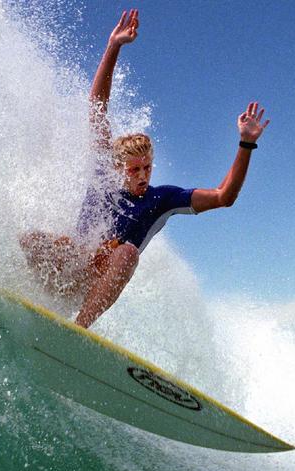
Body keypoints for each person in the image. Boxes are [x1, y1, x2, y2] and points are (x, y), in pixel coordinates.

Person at [19, 10, 270, 328]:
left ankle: (77, 330)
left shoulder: (160, 200)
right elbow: (97, 104)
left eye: (147, 168)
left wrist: (246, 144)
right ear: (118, 167)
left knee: (125, 254)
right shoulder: (103, 175)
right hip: (63, 273)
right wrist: (113, 47)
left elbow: (224, 196)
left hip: (89, 289)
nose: (142, 176)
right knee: (30, 240)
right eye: (134, 169)